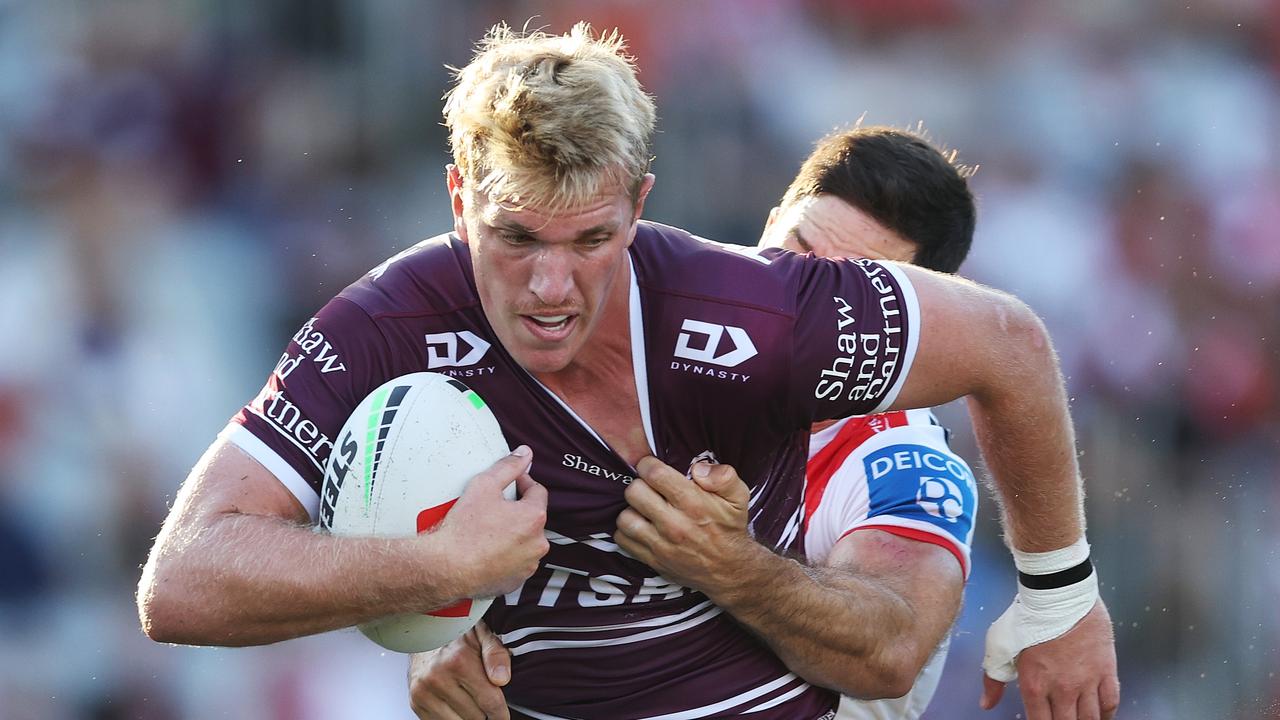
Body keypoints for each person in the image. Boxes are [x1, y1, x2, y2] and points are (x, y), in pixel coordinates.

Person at [137, 24, 1118, 720]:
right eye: (515, 236)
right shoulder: (393, 322)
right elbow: (179, 584)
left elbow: (887, 655)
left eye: (852, 285)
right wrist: (437, 593)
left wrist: (1058, 597)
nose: (550, 287)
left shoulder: (897, 450)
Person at [408, 124, 980, 720]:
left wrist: (731, 567)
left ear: (919, 316)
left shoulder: (904, 460)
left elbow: (889, 653)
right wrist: (440, 634)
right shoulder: (647, 339)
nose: (812, 303)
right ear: (771, 218)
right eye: (798, 252)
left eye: (853, 291)